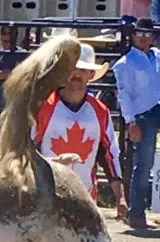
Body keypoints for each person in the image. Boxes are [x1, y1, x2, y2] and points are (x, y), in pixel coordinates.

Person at [33, 42, 128, 219]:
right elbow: (27, 149)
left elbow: (109, 154)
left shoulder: (100, 111)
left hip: (85, 197)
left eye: (82, 70)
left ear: (91, 75)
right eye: (72, 68)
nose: (76, 74)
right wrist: (53, 161)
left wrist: (120, 197)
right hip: (46, 195)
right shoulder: (43, 107)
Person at [113, 17, 160, 229]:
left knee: (144, 163)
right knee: (144, 165)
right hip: (141, 116)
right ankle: (136, 213)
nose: (142, 37)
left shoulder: (156, 56)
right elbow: (124, 96)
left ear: (152, 37)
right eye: (139, 34)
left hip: (154, 109)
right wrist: (131, 122)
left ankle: (137, 213)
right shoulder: (124, 65)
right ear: (132, 36)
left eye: (146, 34)